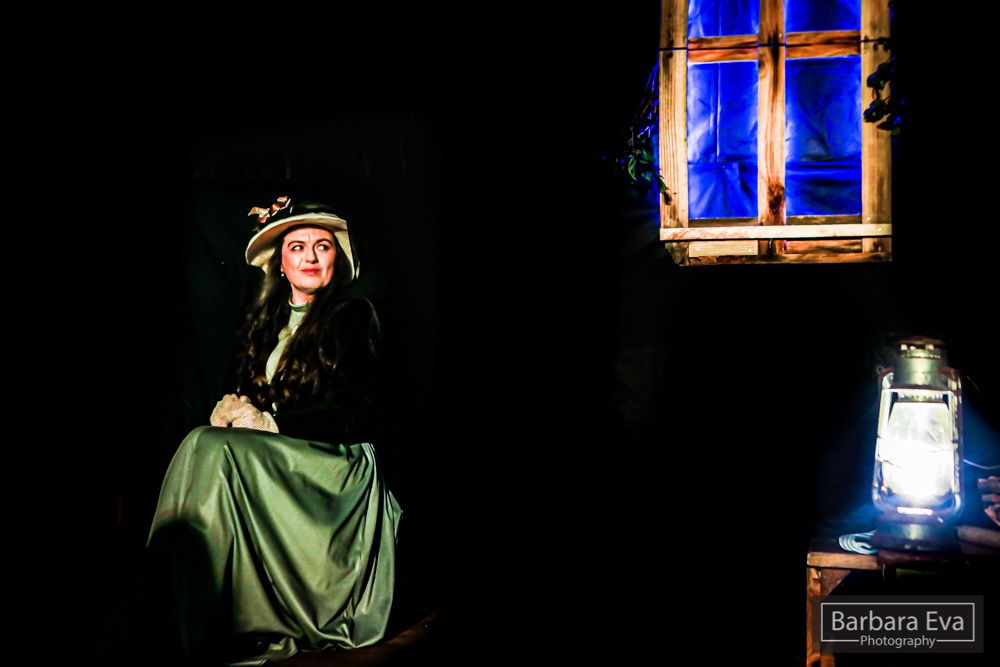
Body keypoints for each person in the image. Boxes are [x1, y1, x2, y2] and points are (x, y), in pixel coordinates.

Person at [141, 195, 402, 665]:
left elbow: (357, 410)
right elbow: (243, 395)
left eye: (322, 247)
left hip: (335, 462)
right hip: (277, 456)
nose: (310, 257)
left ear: (337, 261)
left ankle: (200, 614)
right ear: (280, 263)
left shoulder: (355, 315)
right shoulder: (263, 322)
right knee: (203, 440)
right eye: (297, 247)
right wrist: (233, 408)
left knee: (217, 450)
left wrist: (272, 424)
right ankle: (180, 608)